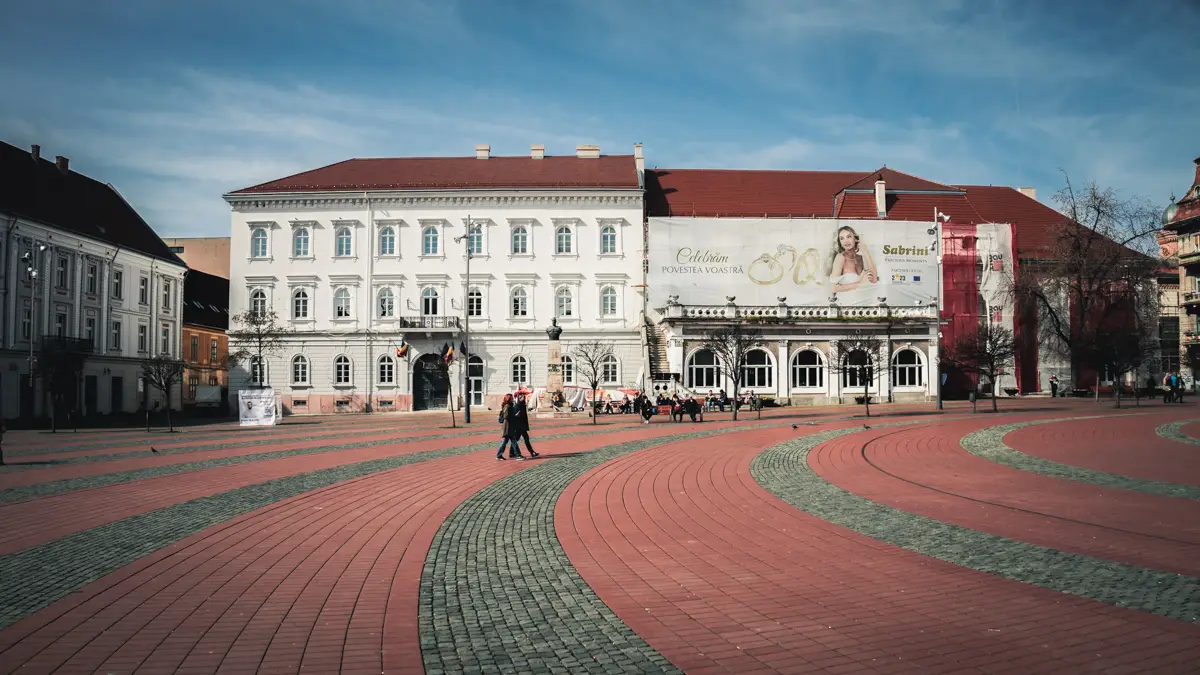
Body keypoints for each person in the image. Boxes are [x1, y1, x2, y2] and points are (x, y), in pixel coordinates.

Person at [828, 225, 878, 294]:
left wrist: (866, 251)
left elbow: (874, 280)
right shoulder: (840, 257)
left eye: (849, 237)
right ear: (840, 243)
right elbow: (833, 288)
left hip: (863, 300)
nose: (846, 241)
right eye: (842, 238)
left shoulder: (861, 258)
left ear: (855, 238)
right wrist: (860, 284)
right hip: (846, 302)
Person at [496, 394, 524, 461]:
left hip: (509, 427)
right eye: (511, 398)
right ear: (509, 399)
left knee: (508, 441)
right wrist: (515, 416)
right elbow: (506, 416)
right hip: (508, 427)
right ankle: (518, 455)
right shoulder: (508, 406)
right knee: (511, 441)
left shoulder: (510, 406)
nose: (513, 399)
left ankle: (499, 455)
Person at [512, 392, 539, 457]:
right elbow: (516, 416)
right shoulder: (517, 406)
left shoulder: (523, 405)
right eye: (523, 398)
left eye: (524, 397)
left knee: (525, 439)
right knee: (516, 440)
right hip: (519, 427)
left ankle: (532, 452)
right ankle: (512, 453)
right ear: (519, 398)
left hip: (522, 426)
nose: (524, 399)